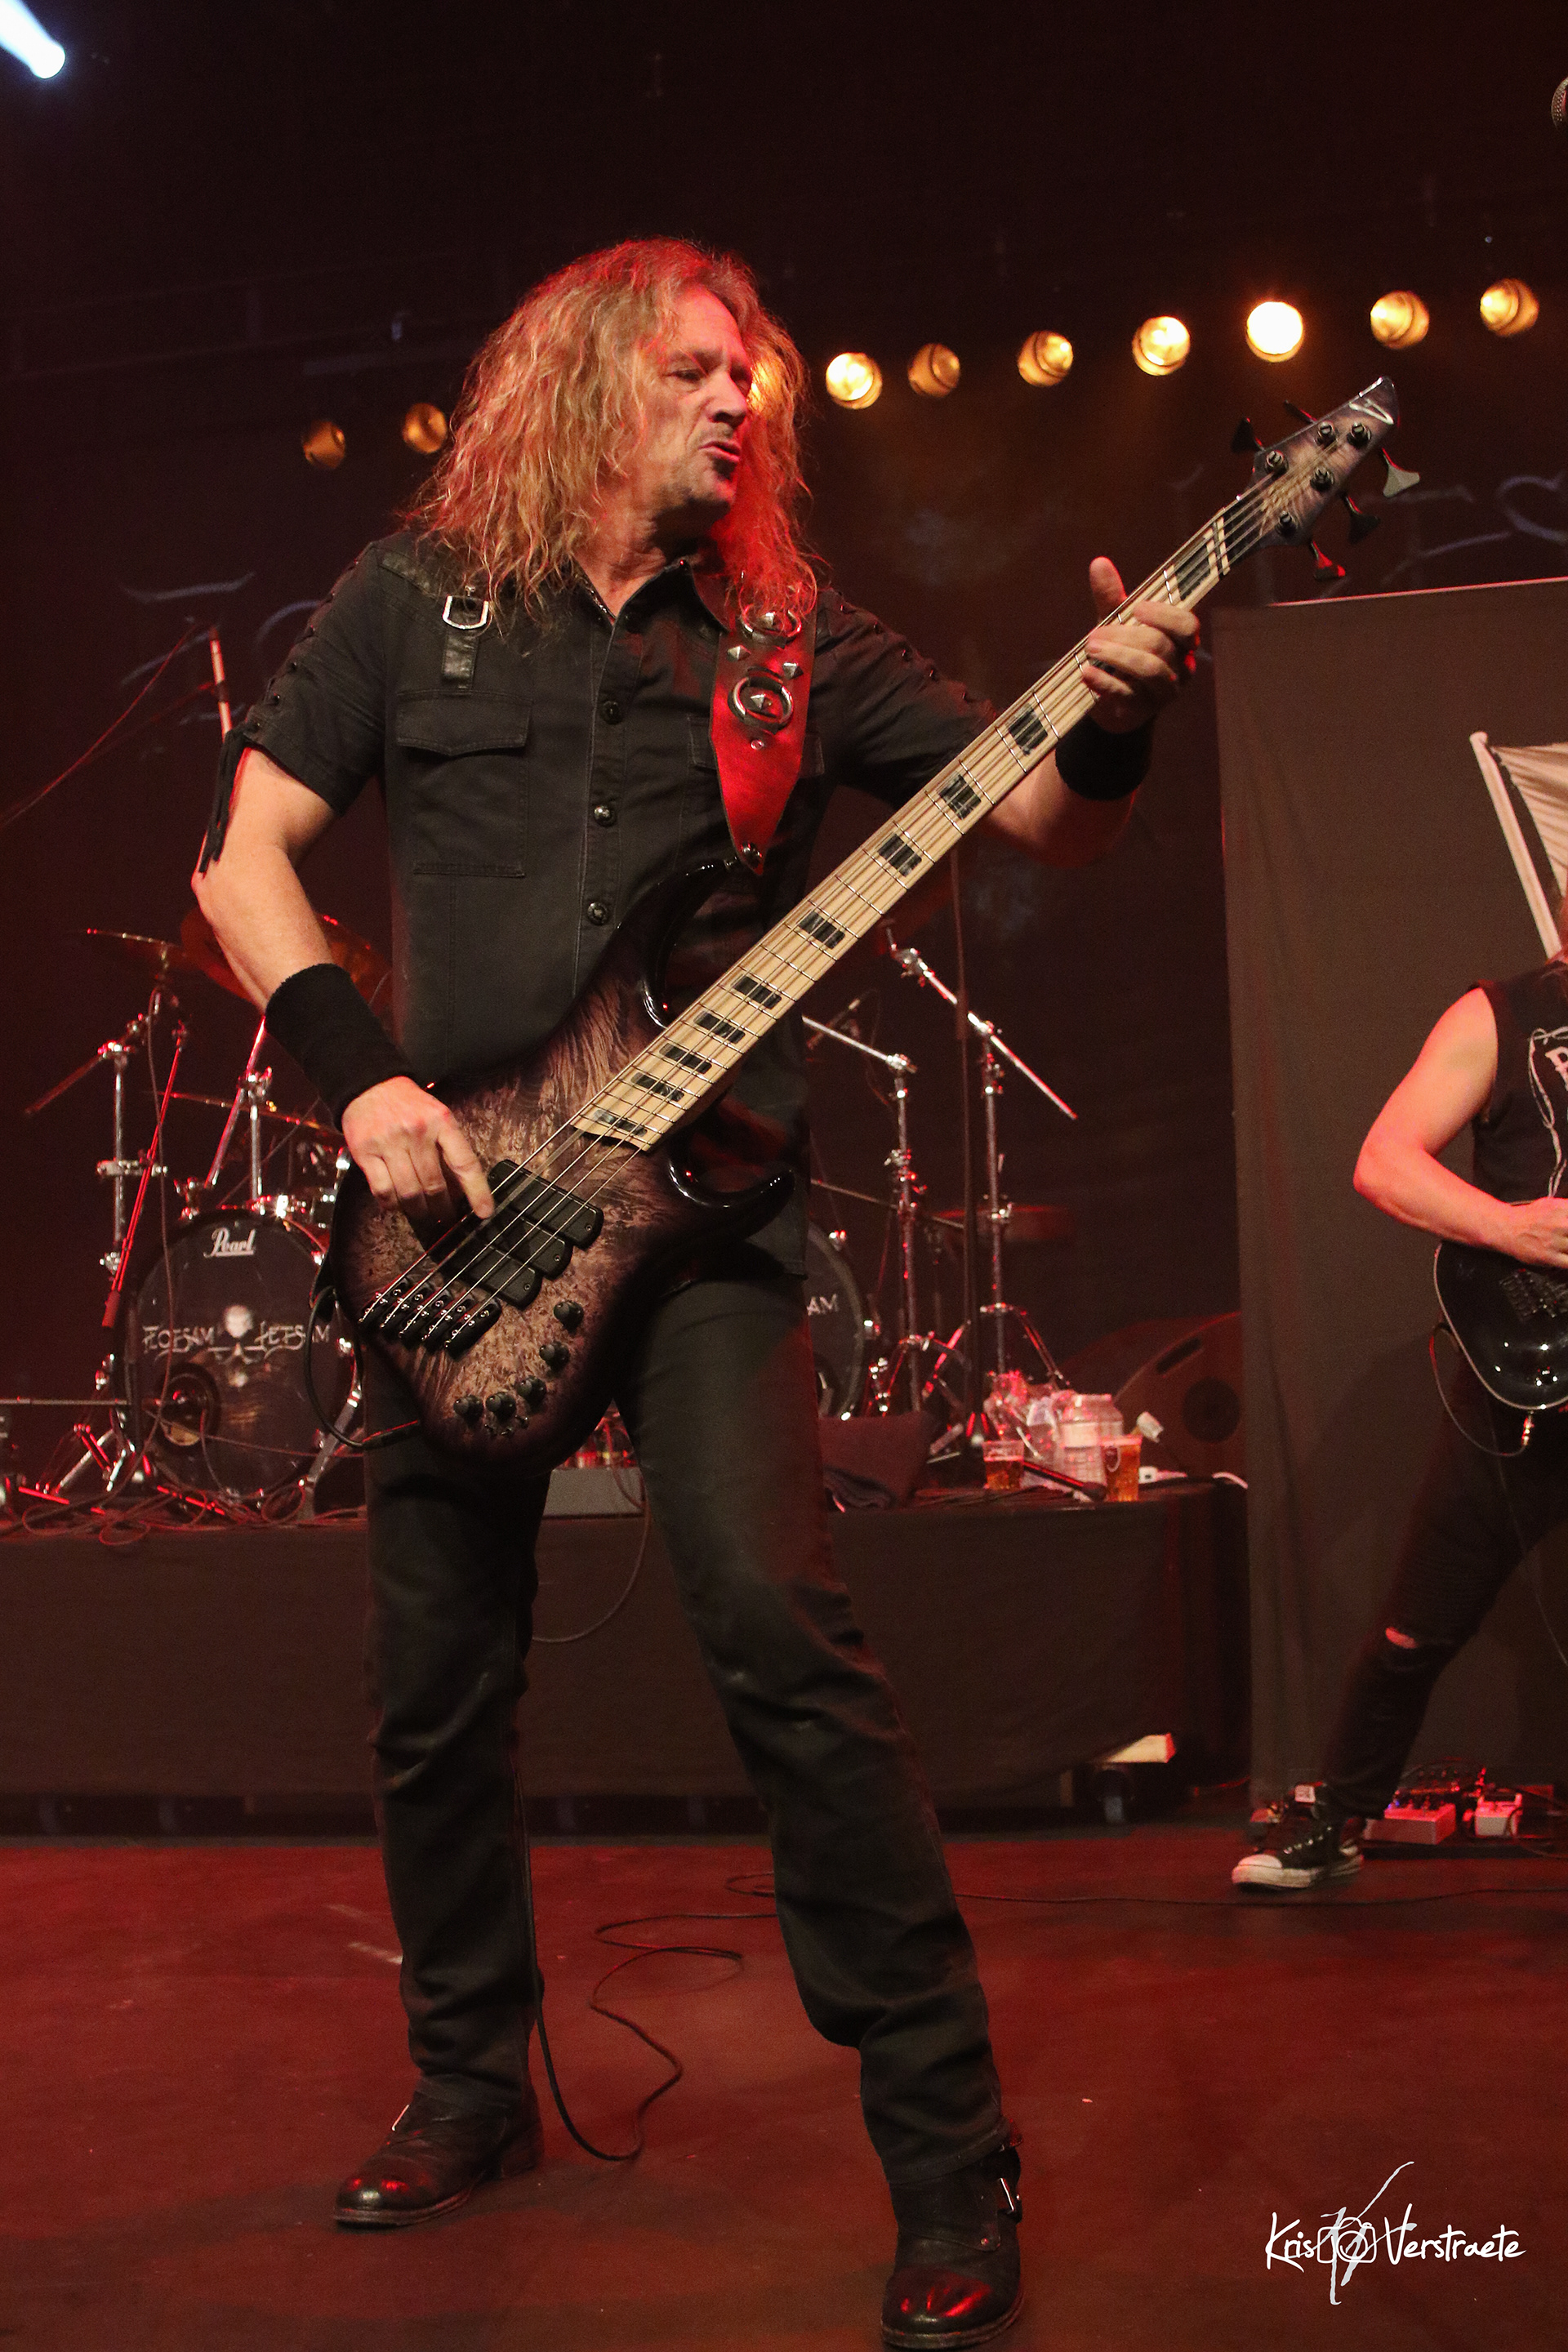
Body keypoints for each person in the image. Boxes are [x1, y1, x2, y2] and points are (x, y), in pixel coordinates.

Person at [194, 237, 1196, 2348]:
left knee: (780, 1632)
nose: (739, 403)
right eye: (689, 372)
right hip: (460, 1224)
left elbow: (1042, 818)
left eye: (751, 378)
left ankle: (950, 2152)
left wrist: (1113, 719)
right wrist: (359, 1080)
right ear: (575, 387)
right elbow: (244, 856)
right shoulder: (410, 600)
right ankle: (470, 2086)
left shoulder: (789, 644)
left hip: (711, 1220)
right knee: (432, 1684)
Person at [1234, 947, 1568, 1893]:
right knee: (1419, 1624)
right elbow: (1384, 1161)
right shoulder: (1502, 1015)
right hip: (1526, 1375)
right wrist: (1513, 1226)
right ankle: (1337, 1820)